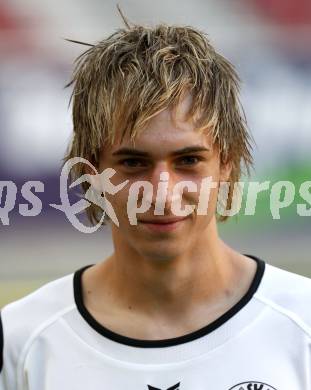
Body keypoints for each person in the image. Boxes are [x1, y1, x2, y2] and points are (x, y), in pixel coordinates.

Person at [1, 16, 311, 390]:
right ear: (90, 170)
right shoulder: (21, 341)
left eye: (188, 161)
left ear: (226, 164)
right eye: (133, 163)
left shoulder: (302, 325)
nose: (162, 192)